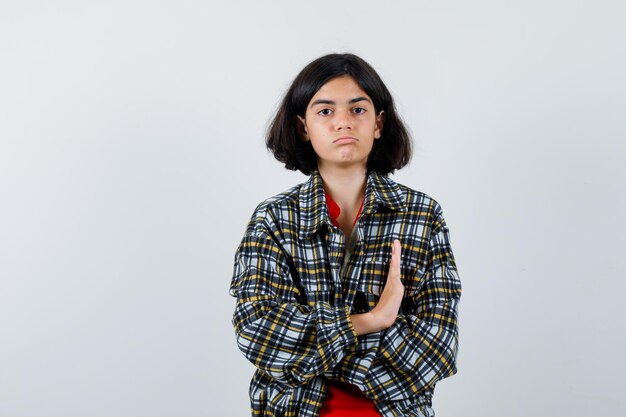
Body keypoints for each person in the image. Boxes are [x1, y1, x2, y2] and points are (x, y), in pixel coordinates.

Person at [229, 53, 462, 417]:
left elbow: (436, 349)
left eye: (357, 110)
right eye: (325, 111)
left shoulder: (422, 215)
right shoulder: (274, 219)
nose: (343, 123)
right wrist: (372, 319)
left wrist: (312, 345)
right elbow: (258, 334)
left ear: (378, 123)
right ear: (303, 127)